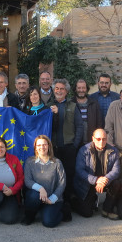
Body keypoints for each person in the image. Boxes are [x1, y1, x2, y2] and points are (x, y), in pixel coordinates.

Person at [72, 129, 122, 220]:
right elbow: (79, 170)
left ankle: (107, 209)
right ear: (93, 139)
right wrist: (96, 180)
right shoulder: (84, 150)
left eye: (104, 139)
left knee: (117, 183)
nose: (101, 141)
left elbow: (116, 170)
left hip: (105, 181)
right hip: (88, 183)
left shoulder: (113, 150)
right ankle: (77, 200)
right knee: (87, 213)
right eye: (98, 139)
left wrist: (105, 179)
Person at [49, 79, 79, 219]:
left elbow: (79, 126)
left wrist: (75, 145)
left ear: (66, 91)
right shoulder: (48, 106)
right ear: (53, 90)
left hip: (68, 147)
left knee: (67, 176)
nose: (59, 91)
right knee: (54, 177)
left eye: (62, 89)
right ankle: (54, 203)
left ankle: (67, 205)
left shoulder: (73, 106)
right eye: (57, 89)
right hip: (53, 148)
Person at [22, 135, 66, 228]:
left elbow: (62, 183)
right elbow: (28, 180)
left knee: (49, 223)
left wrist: (52, 199)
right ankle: (29, 216)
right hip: (37, 197)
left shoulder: (57, 163)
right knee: (32, 196)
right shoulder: (30, 162)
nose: (42, 147)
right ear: (35, 147)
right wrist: (41, 188)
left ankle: (62, 212)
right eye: (39, 145)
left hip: (51, 198)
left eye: (44, 145)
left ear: (49, 146)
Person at [73, 79, 103, 149]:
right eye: (79, 88)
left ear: (86, 89)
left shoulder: (94, 103)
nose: (81, 90)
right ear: (75, 89)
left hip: (91, 142)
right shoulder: (71, 103)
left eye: (83, 88)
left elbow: (99, 123)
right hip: (75, 143)